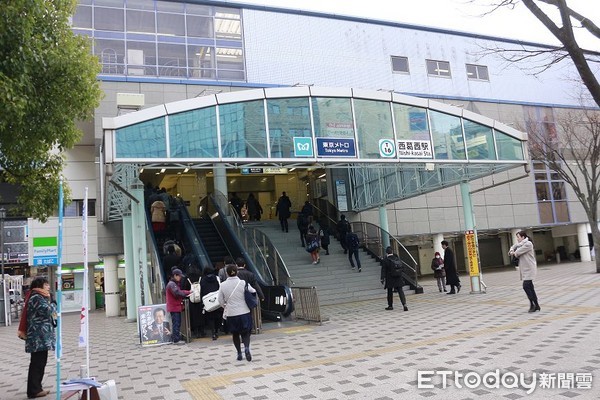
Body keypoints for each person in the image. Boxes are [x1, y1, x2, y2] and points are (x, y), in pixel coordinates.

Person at [19, 277, 56, 399]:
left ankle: (37, 388)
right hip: (38, 337)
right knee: (37, 363)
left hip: (41, 336)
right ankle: (34, 390)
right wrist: (54, 303)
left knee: (40, 362)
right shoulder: (36, 297)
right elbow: (47, 311)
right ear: (40, 285)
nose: (48, 287)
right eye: (46, 284)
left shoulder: (39, 296)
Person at [218, 265, 257, 362]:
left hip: (231, 313)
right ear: (237, 272)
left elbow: (220, 301)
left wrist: (226, 306)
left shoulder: (222, 285)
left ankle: (239, 353)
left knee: (235, 334)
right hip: (244, 312)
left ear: (227, 273)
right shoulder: (242, 283)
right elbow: (253, 291)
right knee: (246, 332)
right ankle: (247, 348)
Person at [509, 230, 540, 313]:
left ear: (523, 237)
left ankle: (532, 304)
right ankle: (536, 305)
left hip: (529, 268)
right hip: (524, 268)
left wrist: (513, 251)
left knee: (525, 286)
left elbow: (516, 253)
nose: (517, 239)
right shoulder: (520, 244)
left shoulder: (528, 244)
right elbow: (512, 248)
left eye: (518, 237)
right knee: (530, 287)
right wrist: (512, 250)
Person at [166, 269, 191, 344]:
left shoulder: (173, 284)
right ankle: (176, 339)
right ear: (175, 275)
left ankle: (176, 337)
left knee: (177, 322)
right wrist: (187, 293)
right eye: (179, 276)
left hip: (175, 307)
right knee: (176, 323)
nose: (180, 278)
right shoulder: (172, 284)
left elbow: (179, 291)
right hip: (174, 307)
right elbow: (177, 293)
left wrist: (188, 292)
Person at [380, 246, 408, 311]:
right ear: (392, 251)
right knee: (400, 291)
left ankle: (390, 305)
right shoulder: (397, 258)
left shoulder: (385, 260)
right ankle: (404, 304)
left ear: (386, 252)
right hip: (398, 277)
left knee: (389, 291)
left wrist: (382, 278)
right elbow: (402, 267)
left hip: (390, 278)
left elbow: (383, 269)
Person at [199, 266, 223, 340]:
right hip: (217, 301)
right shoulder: (216, 278)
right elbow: (220, 288)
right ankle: (216, 331)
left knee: (210, 318)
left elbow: (201, 291)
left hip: (208, 302)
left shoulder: (202, 280)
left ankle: (213, 333)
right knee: (218, 316)